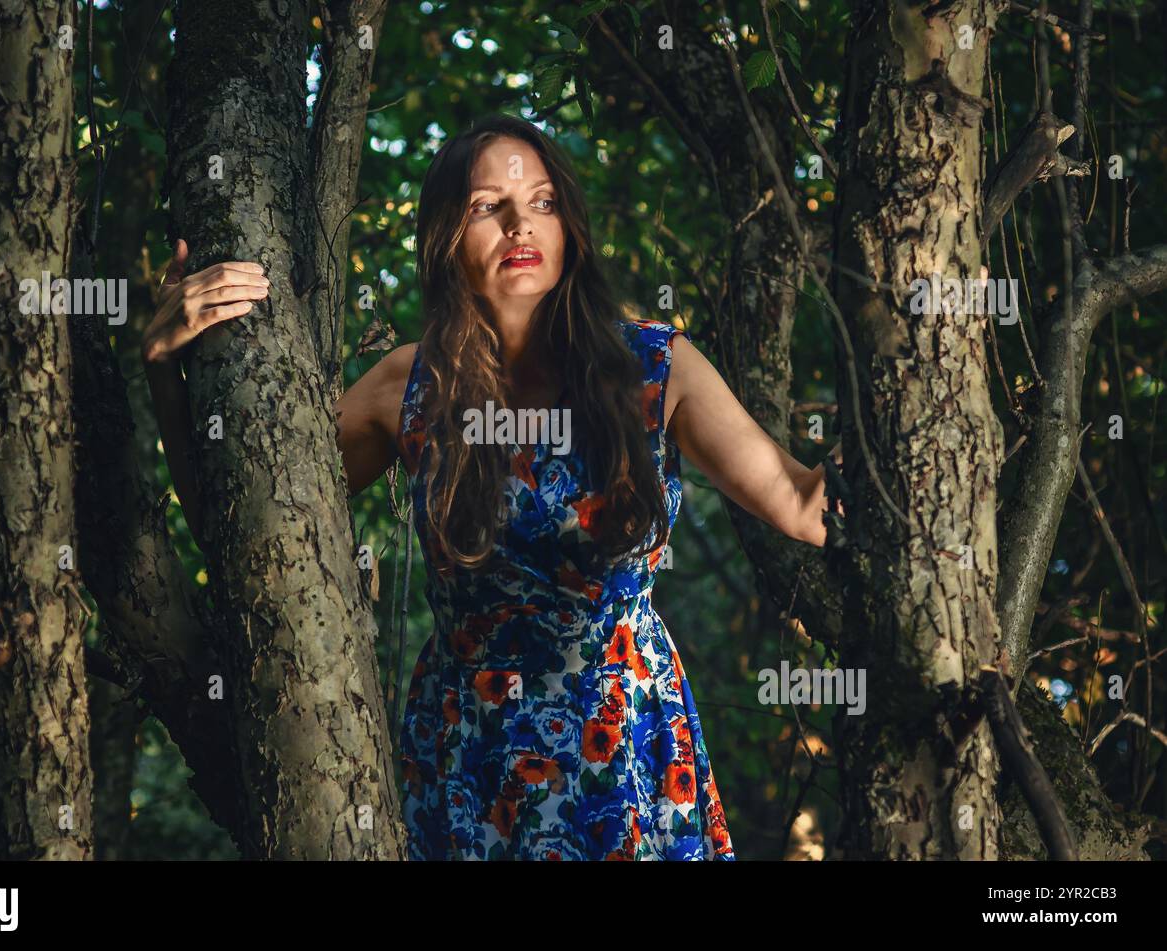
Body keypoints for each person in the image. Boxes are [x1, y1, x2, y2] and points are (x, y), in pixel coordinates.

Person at [141, 114, 841, 860]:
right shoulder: (407, 388)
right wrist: (161, 367)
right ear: (447, 236)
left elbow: (805, 507)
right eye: (486, 207)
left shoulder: (655, 367)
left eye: (541, 201)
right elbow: (240, 521)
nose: (519, 224)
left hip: (623, 751)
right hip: (465, 756)